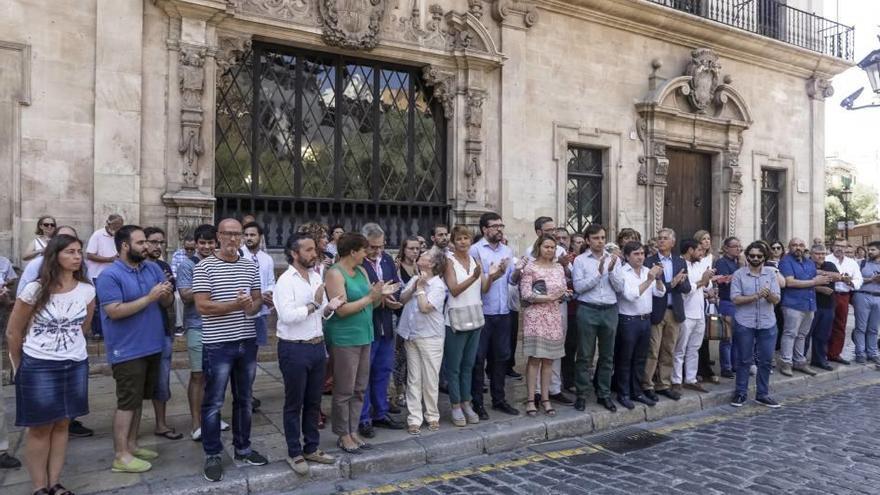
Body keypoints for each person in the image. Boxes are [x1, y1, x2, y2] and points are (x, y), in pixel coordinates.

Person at [6, 235, 94, 493]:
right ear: (55, 256)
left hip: (75, 363)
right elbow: (13, 331)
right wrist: (18, 366)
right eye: (70, 252)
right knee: (40, 427)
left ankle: (55, 482)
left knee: (63, 422)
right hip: (39, 364)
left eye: (79, 251)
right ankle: (39, 486)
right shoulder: (35, 288)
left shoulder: (87, 289)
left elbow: (84, 327)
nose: (77, 256)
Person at [193, 218, 268, 482]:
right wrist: (236, 305)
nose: (234, 239)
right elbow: (202, 306)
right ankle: (213, 453)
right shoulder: (204, 267)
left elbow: (257, 300)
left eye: (238, 234)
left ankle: (243, 448)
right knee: (213, 402)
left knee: (245, 399)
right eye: (228, 234)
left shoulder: (250, 266)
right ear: (218, 236)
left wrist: (253, 305)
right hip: (218, 344)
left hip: (246, 341)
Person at [96, 225, 173, 473]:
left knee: (139, 399)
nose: (147, 247)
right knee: (127, 401)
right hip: (127, 349)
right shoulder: (111, 275)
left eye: (147, 243)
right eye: (141, 243)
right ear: (125, 246)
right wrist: (150, 298)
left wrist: (164, 294)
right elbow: (114, 311)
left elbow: (167, 302)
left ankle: (132, 444)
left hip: (152, 344)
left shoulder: (151, 267)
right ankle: (121, 455)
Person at [273, 233, 342, 475]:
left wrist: (329, 308)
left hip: (316, 345)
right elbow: (288, 316)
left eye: (315, 249)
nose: (315, 254)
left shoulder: (315, 276)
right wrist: (315, 304)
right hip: (294, 348)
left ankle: (311, 447)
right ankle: (294, 452)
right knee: (294, 403)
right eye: (309, 250)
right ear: (295, 253)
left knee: (314, 402)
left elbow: (320, 313)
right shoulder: (285, 281)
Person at [324, 233, 386, 453]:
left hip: (365, 334)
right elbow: (341, 310)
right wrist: (370, 298)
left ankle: (353, 430)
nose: (366, 253)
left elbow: (373, 302)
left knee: (360, 387)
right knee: (344, 389)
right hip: (345, 338)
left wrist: (380, 293)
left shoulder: (360, 271)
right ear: (352, 251)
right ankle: (342, 433)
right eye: (363, 249)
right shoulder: (334, 274)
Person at [177, 224, 230, 441]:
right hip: (197, 325)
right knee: (198, 374)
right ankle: (196, 422)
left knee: (216, 376)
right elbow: (185, 294)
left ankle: (213, 416)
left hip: (220, 324)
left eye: (210, 242)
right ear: (196, 244)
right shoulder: (187, 265)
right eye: (202, 243)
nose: (207, 246)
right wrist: (208, 288)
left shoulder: (222, 263)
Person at [516, 217, 573, 407]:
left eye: (552, 247)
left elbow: (562, 289)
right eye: (546, 247)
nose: (549, 250)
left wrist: (565, 294)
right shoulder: (530, 267)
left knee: (549, 360)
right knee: (534, 359)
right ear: (538, 247)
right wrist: (549, 298)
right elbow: (526, 293)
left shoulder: (558, 267)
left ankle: (547, 399)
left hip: (554, 316)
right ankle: (532, 399)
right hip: (535, 317)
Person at [469, 212, 518, 418]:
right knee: (479, 359)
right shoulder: (475, 250)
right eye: (495, 226)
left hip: (503, 312)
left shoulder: (507, 250)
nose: (499, 229)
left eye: (501, 225)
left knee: (501, 357)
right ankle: (477, 402)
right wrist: (494, 275)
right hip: (483, 312)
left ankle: (499, 399)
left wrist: (518, 272)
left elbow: (511, 282)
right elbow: (477, 284)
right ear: (484, 229)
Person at [357, 223, 404, 438]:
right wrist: (379, 297)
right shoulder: (358, 263)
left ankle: (381, 412)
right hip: (368, 324)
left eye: (381, 246)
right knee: (364, 374)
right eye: (373, 247)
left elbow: (395, 282)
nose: (377, 251)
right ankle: (363, 417)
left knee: (383, 370)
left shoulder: (386, 260)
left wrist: (392, 295)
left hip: (386, 322)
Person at [571, 224, 622, 412]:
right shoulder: (580, 261)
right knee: (585, 354)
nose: (600, 241)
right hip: (588, 309)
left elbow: (619, 288)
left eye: (602, 238)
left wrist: (610, 271)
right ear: (587, 240)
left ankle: (604, 393)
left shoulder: (613, 260)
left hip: (609, 309)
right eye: (595, 238)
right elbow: (579, 287)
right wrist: (599, 273)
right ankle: (582, 394)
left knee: (607, 356)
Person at [396, 247, 448, 434]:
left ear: (432, 263)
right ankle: (414, 418)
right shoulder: (415, 278)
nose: (421, 255)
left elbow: (425, 307)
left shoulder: (438, 285)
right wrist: (415, 286)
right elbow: (402, 299)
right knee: (414, 378)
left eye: (425, 255)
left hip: (430, 336)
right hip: (411, 334)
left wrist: (419, 289)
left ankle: (432, 415)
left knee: (430, 379)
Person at [443, 225, 490, 427]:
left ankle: (466, 402)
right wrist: (473, 276)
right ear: (453, 241)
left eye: (466, 238)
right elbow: (453, 290)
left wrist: (495, 274)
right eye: (459, 238)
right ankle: (455, 405)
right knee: (454, 366)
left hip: (475, 315)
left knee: (469, 364)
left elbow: (484, 288)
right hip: (456, 317)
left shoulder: (474, 260)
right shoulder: (449, 261)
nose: (463, 242)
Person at [142, 227, 183, 441]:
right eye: (153, 242)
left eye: (161, 242)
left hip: (162, 330)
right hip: (140, 333)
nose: (158, 246)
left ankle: (161, 423)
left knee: (162, 379)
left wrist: (164, 289)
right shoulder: (135, 267)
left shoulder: (164, 266)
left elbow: (168, 298)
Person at [729, 242, 782, 408]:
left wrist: (768, 296)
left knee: (766, 360)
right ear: (747, 256)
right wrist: (756, 296)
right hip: (745, 322)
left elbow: (777, 300)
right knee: (744, 360)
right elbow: (735, 298)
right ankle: (740, 393)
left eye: (759, 256)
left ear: (764, 257)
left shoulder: (771, 274)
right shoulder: (739, 274)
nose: (755, 259)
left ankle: (762, 394)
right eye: (752, 256)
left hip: (767, 322)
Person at [614, 242, 665, 409]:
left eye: (642, 253)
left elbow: (660, 292)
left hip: (645, 319)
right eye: (636, 254)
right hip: (628, 320)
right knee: (625, 359)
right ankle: (624, 393)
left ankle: (637, 392)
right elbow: (631, 295)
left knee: (640, 359)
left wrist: (657, 279)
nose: (640, 257)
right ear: (627, 256)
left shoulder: (646, 271)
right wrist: (650, 279)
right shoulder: (622, 272)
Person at [643, 228, 692, 402]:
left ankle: (663, 384)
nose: (661, 241)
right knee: (653, 350)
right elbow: (654, 289)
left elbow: (687, 288)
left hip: (674, 311)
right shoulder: (649, 261)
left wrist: (679, 283)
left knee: (668, 350)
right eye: (659, 238)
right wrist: (673, 283)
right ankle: (647, 385)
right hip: (657, 311)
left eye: (665, 239)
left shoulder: (680, 262)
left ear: (672, 242)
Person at [778, 238, 829, 376]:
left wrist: (832, 275)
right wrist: (814, 282)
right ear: (789, 247)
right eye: (794, 245)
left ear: (805, 247)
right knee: (790, 334)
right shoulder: (785, 261)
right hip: (793, 304)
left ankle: (799, 361)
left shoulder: (809, 262)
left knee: (802, 335)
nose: (798, 247)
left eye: (801, 245)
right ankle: (786, 363)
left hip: (809, 304)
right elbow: (790, 282)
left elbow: (816, 274)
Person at [672, 239, 714, 394]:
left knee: (694, 348)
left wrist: (707, 279)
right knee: (680, 349)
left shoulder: (700, 264)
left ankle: (691, 379)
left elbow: (707, 286)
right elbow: (686, 289)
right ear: (690, 250)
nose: (701, 253)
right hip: (686, 313)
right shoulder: (680, 265)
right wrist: (702, 281)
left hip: (699, 313)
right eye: (699, 250)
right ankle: (676, 380)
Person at [393, 236, 422, 409]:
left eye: (417, 248)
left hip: (417, 317)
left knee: (413, 357)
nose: (414, 252)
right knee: (399, 357)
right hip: (399, 316)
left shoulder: (420, 267)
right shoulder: (397, 268)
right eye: (411, 248)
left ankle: (411, 389)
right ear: (404, 249)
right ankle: (399, 391)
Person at [86, 214, 125, 338]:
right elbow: (90, 255)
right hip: (98, 274)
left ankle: (111, 329)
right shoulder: (98, 235)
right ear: (109, 224)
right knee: (98, 304)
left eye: (120, 226)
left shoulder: (120, 236)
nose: (118, 229)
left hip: (115, 274)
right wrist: (110, 259)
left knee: (115, 302)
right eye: (116, 226)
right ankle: (98, 331)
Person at [827, 239, 862, 365]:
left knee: (840, 325)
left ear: (846, 248)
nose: (839, 248)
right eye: (837, 245)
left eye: (842, 246)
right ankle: (822, 353)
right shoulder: (826, 259)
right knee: (825, 324)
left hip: (843, 295)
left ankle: (835, 353)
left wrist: (850, 282)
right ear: (832, 246)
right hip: (828, 294)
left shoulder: (852, 263)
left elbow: (859, 279)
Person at [241, 222, 276, 348]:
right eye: (246, 235)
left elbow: (271, 282)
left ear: (260, 237)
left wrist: (269, 293)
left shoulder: (267, 258)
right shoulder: (238, 256)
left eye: (252, 235)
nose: (249, 238)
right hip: (242, 310)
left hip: (261, 311)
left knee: (256, 348)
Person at [713, 237, 742, 379]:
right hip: (727, 302)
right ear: (726, 248)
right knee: (727, 336)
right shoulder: (721, 262)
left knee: (738, 336)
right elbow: (723, 280)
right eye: (735, 246)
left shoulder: (739, 262)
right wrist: (741, 271)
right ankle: (726, 367)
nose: (738, 249)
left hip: (740, 303)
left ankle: (735, 364)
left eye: (739, 246)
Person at [808, 244, 838, 371]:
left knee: (823, 335)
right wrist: (819, 287)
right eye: (817, 254)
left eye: (823, 254)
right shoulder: (807, 265)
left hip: (828, 305)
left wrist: (819, 274)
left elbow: (838, 276)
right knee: (805, 335)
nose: (821, 256)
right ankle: (800, 361)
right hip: (811, 305)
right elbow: (801, 283)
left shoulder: (830, 265)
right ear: (811, 254)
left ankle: (819, 360)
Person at [853, 241, 880, 365]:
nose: (870, 252)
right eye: (869, 249)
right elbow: (855, 279)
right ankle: (860, 353)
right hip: (862, 296)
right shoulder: (861, 263)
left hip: (878, 298)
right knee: (861, 327)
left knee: (873, 328)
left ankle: (872, 353)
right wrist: (871, 279)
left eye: (873, 250)